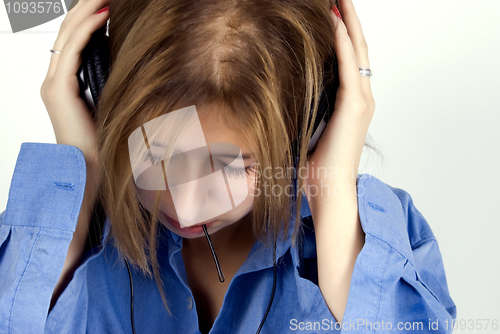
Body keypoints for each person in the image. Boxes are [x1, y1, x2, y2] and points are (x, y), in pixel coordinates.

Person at [0, 0, 456, 333]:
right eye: (157, 154)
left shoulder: (386, 248)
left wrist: (332, 194)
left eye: (232, 167)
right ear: (104, 103)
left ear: (308, 130)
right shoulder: (68, 231)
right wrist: (82, 170)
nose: (187, 205)